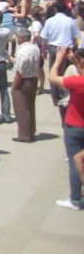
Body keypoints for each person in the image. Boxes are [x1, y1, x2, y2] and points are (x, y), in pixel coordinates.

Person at [49, 48, 84, 210]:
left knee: (74, 162)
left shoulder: (77, 83)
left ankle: (75, 199)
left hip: (74, 126)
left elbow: (53, 78)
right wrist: (76, 61)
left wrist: (58, 59)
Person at [10, 27, 40, 142]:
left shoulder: (22, 51)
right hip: (33, 78)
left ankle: (24, 135)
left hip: (23, 81)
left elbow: (19, 72)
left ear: (21, 38)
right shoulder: (35, 47)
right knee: (30, 106)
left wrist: (14, 86)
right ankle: (31, 130)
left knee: (21, 109)